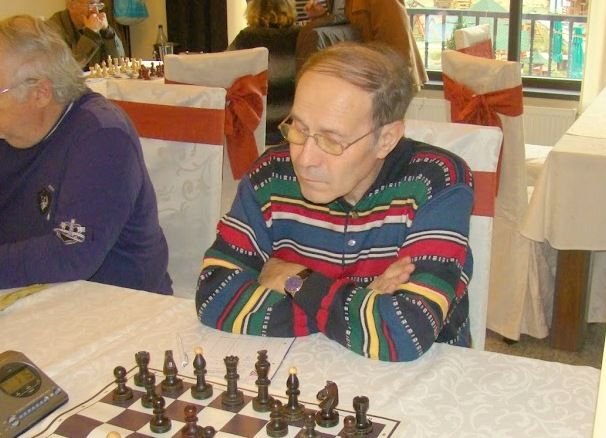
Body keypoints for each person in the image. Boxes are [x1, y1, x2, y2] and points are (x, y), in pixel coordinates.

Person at [195, 42, 474, 361]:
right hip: (302, 367)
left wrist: (296, 280)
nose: (305, 159)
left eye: (331, 141)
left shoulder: (436, 180)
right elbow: (214, 295)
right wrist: (362, 306)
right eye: (299, 129)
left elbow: (404, 332)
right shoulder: (271, 175)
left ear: (386, 139)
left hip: (425, 377)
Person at [0, 15, 172, 294]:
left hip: (118, 303)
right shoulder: (9, 132)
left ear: (41, 93)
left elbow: (71, 252)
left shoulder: (102, 137)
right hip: (31, 294)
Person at [304, 0, 427, 91]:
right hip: (358, 77)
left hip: (384, 82)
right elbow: (348, 30)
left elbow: (397, 45)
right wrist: (321, 16)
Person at [230, 0, 301, 145]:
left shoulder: (246, 37)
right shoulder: (301, 35)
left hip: (258, 124)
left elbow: (225, 70)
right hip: (291, 126)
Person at [47, 0, 125, 69]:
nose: (96, 12)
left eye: (98, 5)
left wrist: (107, 31)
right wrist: (90, 34)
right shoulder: (52, 29)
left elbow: (120, 61)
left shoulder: (98, 24)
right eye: (91, 5)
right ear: (72, 6)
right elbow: (67, 69)